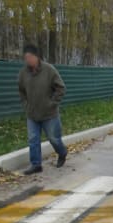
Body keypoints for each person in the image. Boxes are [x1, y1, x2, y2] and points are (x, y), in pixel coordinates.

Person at [18, 44, 68, 175]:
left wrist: (52, 103)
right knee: (33, 140)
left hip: (49, 113)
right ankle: (36, 165)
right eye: (25, 58)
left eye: (30, 57)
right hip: (32, 114)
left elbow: (61, 88)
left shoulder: (49, 70)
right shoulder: (23, 73)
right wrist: (26, 104)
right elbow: (21, 91)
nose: (27, 60)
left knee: (54, 139)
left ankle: (62, 153)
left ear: (36, 57)